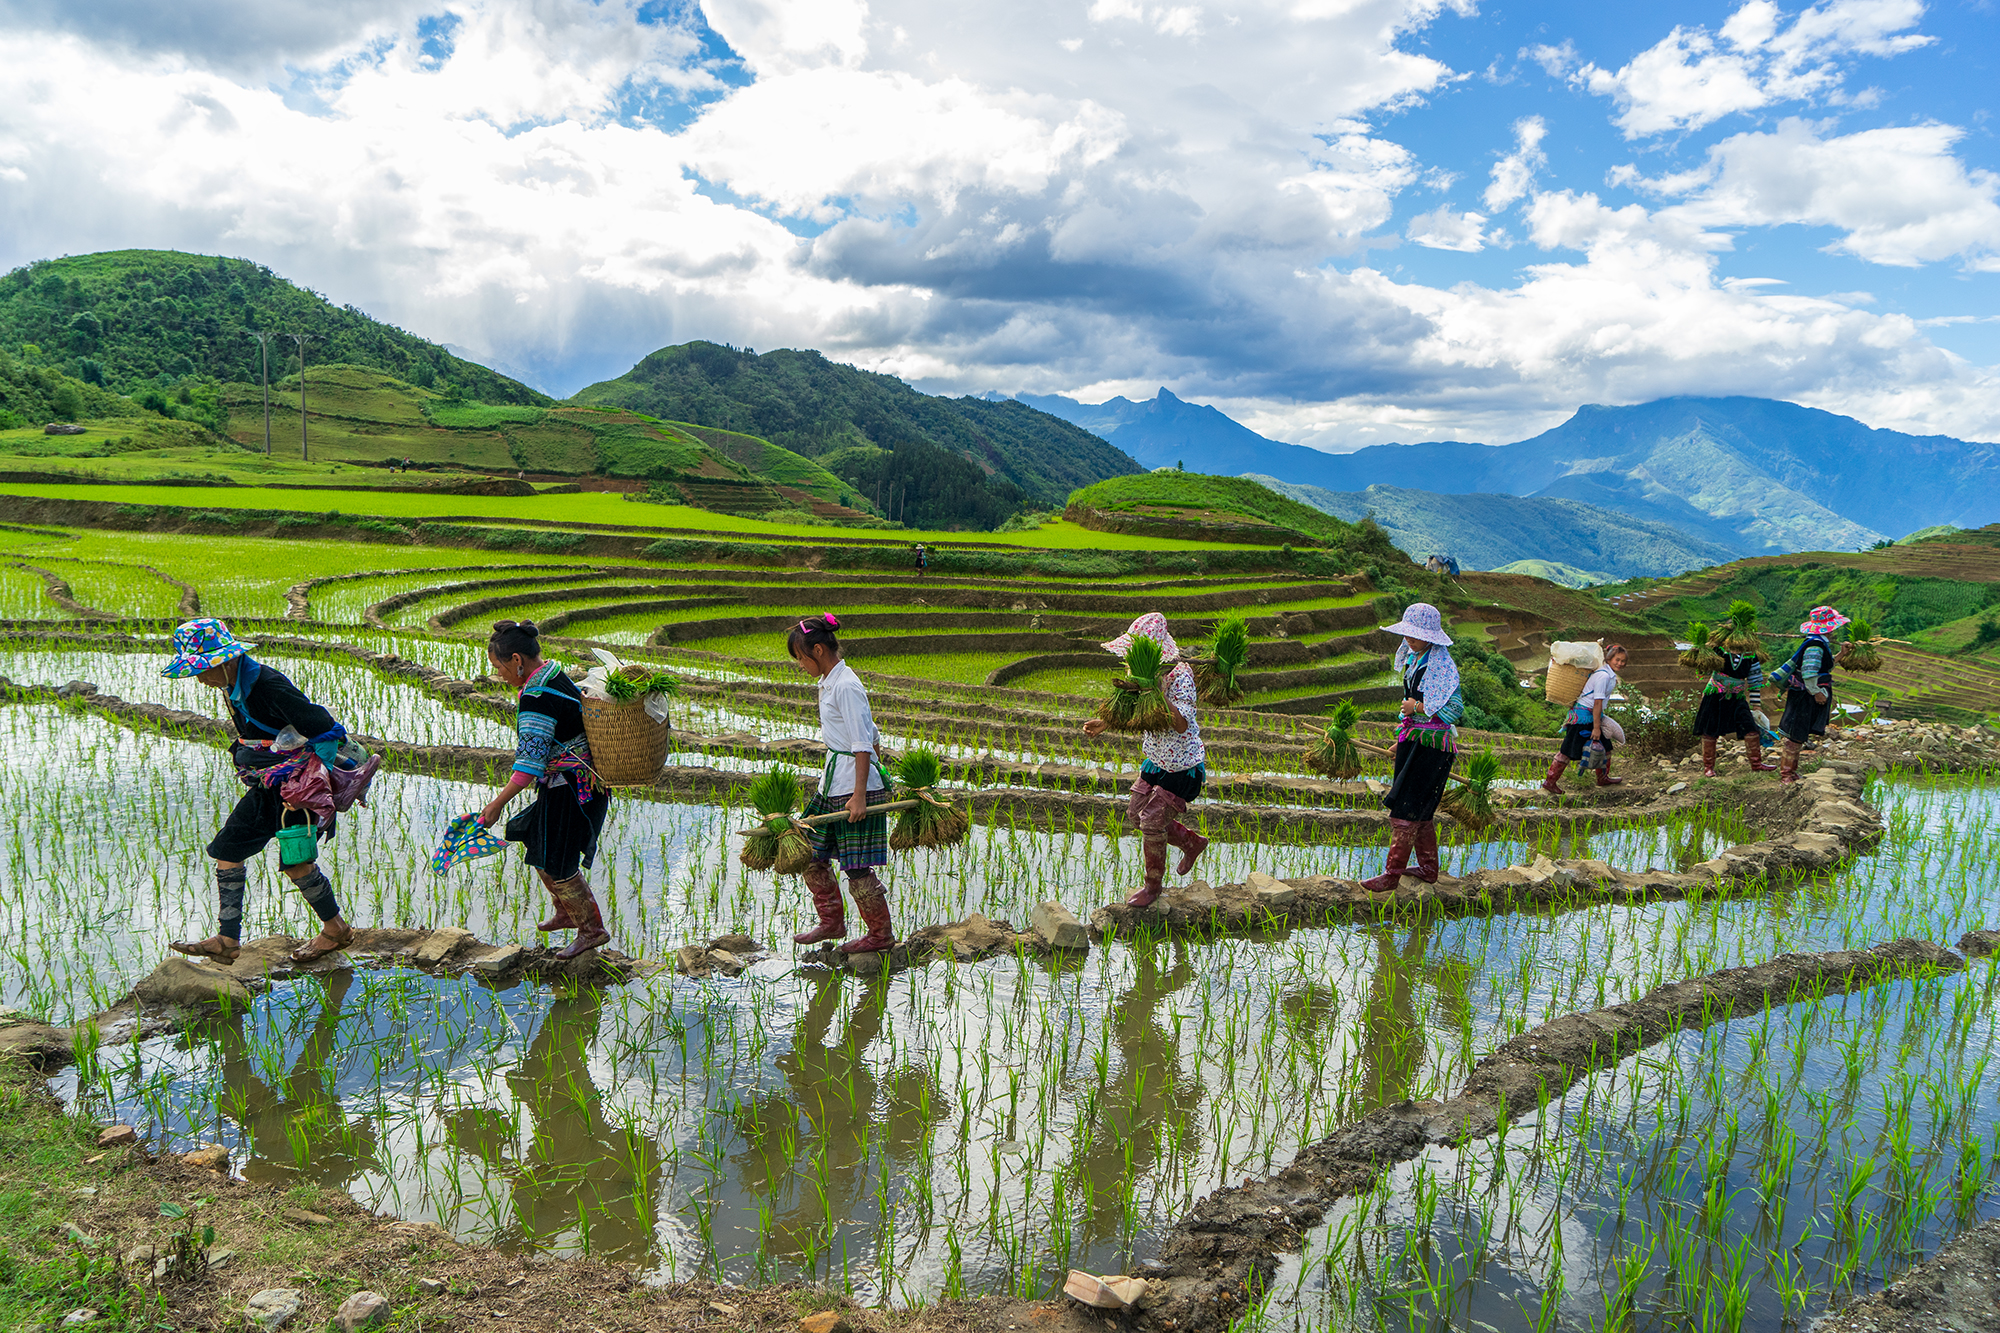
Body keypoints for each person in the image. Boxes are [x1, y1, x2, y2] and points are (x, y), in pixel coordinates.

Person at [164, 618, 376, 965]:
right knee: (228, 849)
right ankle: (227, 940)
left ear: (227, 660)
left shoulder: (267, 685)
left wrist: (307, 789)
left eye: (203, 670)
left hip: (299, 786)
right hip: (270, 784)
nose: (200, 679)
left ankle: (336, 929)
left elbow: (325, 729)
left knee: (296, 862)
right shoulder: (233, 686)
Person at [477, 620, 612, 959]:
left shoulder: (537, 696)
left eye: (499, 666)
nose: (499, 674)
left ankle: (591, 930)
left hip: (572, 788)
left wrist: (495, 804)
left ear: (517, 660)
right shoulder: (553, 673)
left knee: (559, 861)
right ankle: (565, 910)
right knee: (530, 833)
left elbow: (528, 767)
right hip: (576, 781)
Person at [788, 613, 897, 954]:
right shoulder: (830, 682)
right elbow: (873, 734)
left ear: (818, 650)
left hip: (853, 787)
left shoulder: (846, 686)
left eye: (801, 658)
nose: (800, 665)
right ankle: (831, 921)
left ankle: (880, 936)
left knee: (857, 867)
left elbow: (863, 742)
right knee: (809, 852)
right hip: (834, 782)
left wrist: (862, 794)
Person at [1083, 612, 1208, 907]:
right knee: (1135, 815)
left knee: (1152, 821)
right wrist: (1105, 723)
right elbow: (1130, 709)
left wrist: (1156, 691)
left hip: (1183, 767)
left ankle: (1153, 887)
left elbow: (1181, 725)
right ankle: (1192, 842)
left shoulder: (1181, 676)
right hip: (1155, 760)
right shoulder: (1141, 674)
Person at [1361, 603, 1462, 893]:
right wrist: (1402, 739)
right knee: (1420, 809)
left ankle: (1392, 875)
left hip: (1432, 748)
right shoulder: (1415, 660)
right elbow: (1412, 712)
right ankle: (1429, 869)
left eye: (1415, 635)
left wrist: (1417, 706)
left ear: (1430, 637)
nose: (1409, 639)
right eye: (1407, 633)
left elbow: (1454, 710)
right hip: (1414, 741)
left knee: (1405, 808)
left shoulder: (1441, 667)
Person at [1769, 605, 1847, 784]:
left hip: (1805, 694)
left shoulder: (1819, 643)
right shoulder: (1815, 646)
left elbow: (1823, 666)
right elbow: (1809, 673)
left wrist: (1841, 654)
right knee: (1795, 734)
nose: (1834, 632)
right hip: (1804, 696)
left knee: (1800, 733)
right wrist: (1817, 692)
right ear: (1828, 628)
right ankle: (1786, 774)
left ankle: (1792, 771)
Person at [1542, 644, 1629, 792]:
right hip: (1582, 719)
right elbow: (1597, 703)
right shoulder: (1603, 676)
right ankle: (1549, 782)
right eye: (1617, 660)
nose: (1620, 663)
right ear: (1609, 658)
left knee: (1606, 748)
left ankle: (1602, 778)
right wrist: (1596, 728)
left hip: (1592, 716)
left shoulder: (1607, 674)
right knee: (1566, 751)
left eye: (1623, 661)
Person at [1692, 646, 1775, 777]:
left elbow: (1754, 682)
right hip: (1715, 695)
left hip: (1737, 697)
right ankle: (1708, 767)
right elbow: (1705, 672)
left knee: (1751, 728)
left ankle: (1756, 764)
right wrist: (1699, 656)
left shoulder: (1750, 655)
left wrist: (1756, 706)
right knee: (1710, 730)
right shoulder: (1718, 650)